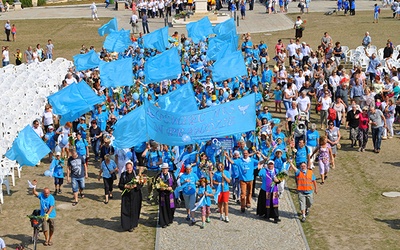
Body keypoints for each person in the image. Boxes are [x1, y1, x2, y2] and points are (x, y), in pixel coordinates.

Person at [118, 161, 143, 232]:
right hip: (126, 196)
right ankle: (126, 225)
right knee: (126, 210)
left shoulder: (136, 175)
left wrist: (136, 186)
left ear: (132, 167)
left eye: (130, 168)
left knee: (134, 210)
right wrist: (125, 186)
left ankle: (132, 225)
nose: (129, 170)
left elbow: (141, 184)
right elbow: (120, 185)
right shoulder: (123, 175)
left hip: (135, 195)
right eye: (127, 168)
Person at [31, 181, 56, 246]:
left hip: (51, 215)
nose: (46, 194)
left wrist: (47, 214)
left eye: (48, 193)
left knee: (52, 227)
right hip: (43, 215)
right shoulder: (41, 195)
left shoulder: (51, 198)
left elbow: (51, 207)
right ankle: (46, 239)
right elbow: (34, 193)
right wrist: (34, 187)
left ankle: (50, 239)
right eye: (45, 193)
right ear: (43, 193)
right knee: (44, 228)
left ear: (49, 192)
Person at [155, 163, 177, 228]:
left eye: (166, 169)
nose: (164, 170)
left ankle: (169, 219)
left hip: (170, 194)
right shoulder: (159, 176)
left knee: (171, 208)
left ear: (168, 169)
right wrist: (159, 188)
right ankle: (163, 222)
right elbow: (156, 184)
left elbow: (175, 183)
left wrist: (172, 187)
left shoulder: (171, 175)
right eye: (163, 169)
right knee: (163, 208)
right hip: (162, 194)